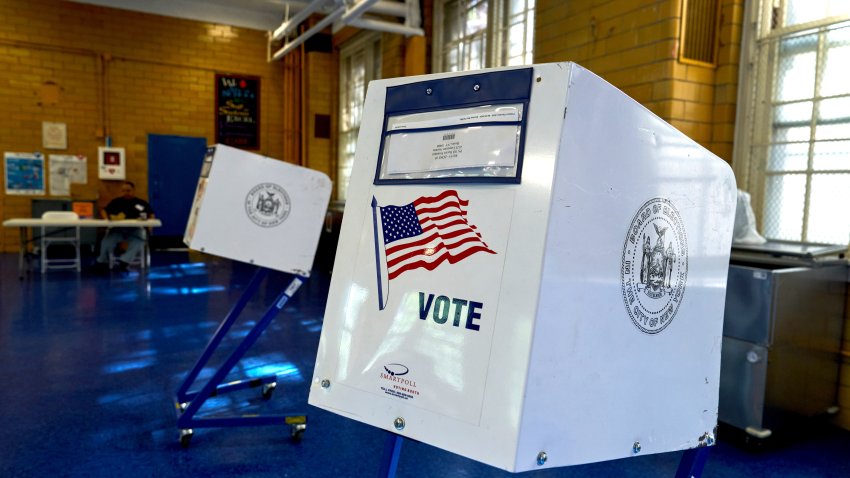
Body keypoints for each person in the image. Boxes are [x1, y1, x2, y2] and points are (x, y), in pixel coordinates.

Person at [93, 181, 155, 272]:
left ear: (134, 190)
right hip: (118, 230)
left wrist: (150, 226)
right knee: (107, 241)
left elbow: (151, 214)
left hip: (135, 230)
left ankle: (124, 261)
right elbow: (104, 211)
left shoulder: (141, 203)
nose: (126, 193)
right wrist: (106, 220)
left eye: (128, 190)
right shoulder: (116, 201)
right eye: (124, 191)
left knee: (140, 242)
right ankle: (102, 261)